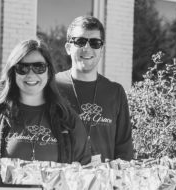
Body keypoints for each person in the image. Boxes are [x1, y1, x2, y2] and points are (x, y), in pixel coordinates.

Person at [0, 39, 91, 168]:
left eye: (39, 67)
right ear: (13, 72)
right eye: (22, 68)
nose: (31, 74)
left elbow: (84, 171)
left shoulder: (67, 119)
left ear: (49, 71)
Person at [53, 15, 134, 161]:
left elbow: (124, 150)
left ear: (101, 49)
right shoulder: (52, 87)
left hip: (105, 175)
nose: (87, 48)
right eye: (80, 41)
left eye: (95, 43)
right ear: (68, 48)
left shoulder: (115, 92)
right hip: (61, 175)